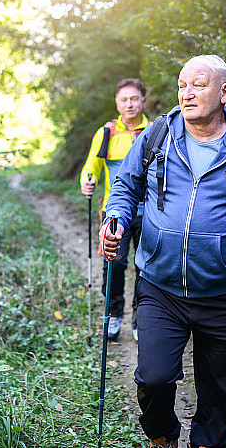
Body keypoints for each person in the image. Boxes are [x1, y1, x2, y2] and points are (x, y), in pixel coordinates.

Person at [99, 55, 226, 448]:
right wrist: (115, 217)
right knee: (153, 378)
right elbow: (125, 187)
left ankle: (205, 443)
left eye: (198, 85)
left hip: (224, 292)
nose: (187, 94)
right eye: (182, 85)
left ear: (224, 92)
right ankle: (163, 435)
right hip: (160, 287)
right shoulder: (155, 137)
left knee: (219, 391)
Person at [80, 78, 149, 341]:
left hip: (149, 214)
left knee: (146, 268)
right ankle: (113, 313)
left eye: (134, 98)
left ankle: (140, 317)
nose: (129, 104)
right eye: (124, 99)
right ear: (117, 103)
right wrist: (87, 182)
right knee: (115, 264)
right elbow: (91, 167)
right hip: (115, 213)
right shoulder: (106, 133)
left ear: (143, 100)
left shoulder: (155, 131)